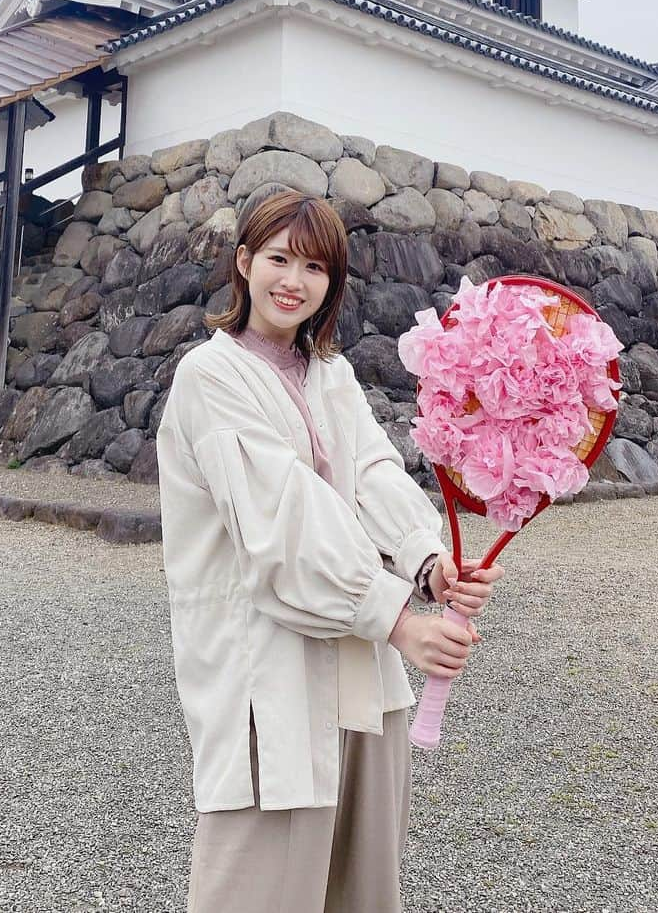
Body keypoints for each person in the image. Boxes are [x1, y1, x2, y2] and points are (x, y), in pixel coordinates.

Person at [157, 188, 504, 912]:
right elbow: (284, 519)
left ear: (332, 282)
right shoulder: (211, 377)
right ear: (244, 263)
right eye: (279, 259)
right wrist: (398, 618)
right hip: (267, 662)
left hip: (358, 663)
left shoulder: (331, 375)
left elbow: (372, 472)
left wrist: (428, 563)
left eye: (314, 267)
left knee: (361, 884)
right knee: (258, 886)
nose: (294, 281)